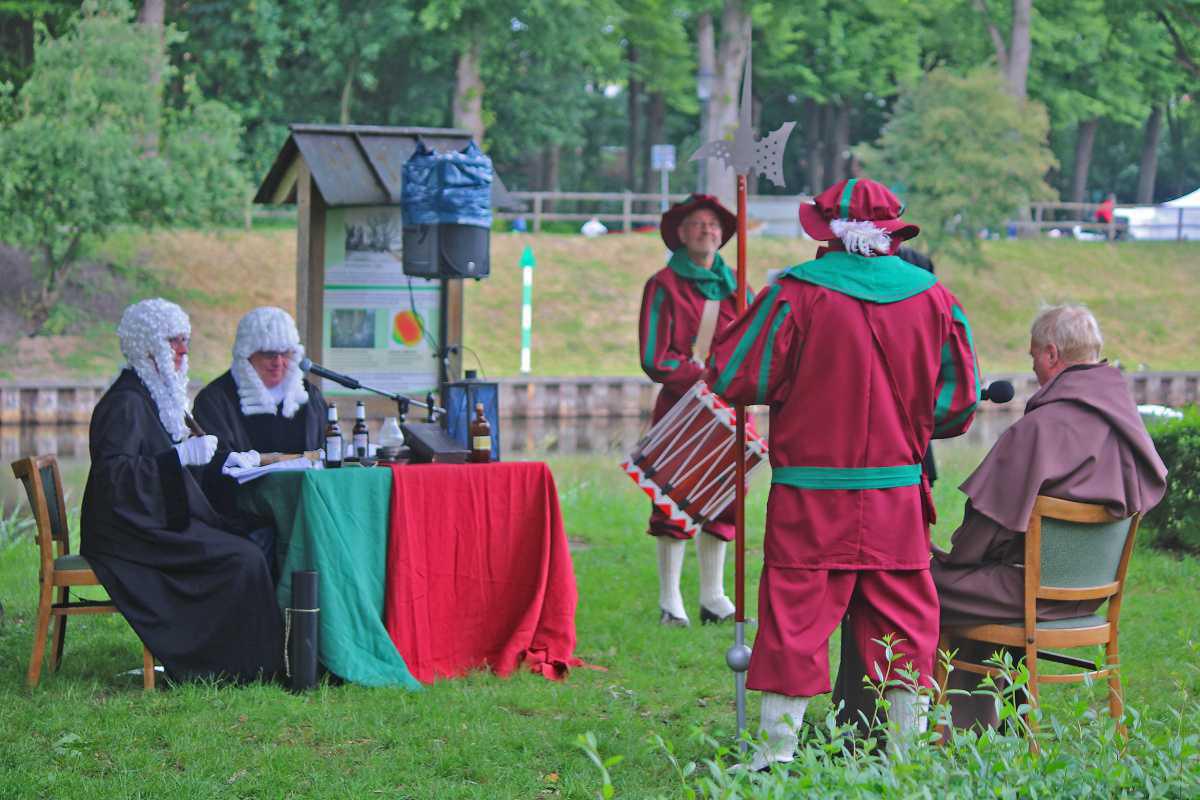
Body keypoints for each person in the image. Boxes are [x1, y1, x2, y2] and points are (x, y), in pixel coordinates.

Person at [707, 177, 981, 766]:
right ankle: (905, 757)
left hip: (809, 497)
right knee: (904, 619)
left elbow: (734, 378)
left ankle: (774, 755)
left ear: (825, 232)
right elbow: (957, 406)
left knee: (793, 620)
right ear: (890, 231)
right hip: (896, 495)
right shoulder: (935, 298)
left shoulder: (792, 295)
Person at [931, 304, 1167, 729]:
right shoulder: (1128, 423)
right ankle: (992, 727)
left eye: (1034, 355)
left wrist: (953, 559)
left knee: (911, 585)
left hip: (1030, 594)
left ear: (1053, 354)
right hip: (1090, 594)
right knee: (975, 581)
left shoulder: (1040, 429)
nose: (1034, 365)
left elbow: (980, 533)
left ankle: (896, 727)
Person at [80, 298, 283, 683]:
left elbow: (174, 462)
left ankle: (250, 661)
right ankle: (225, 667)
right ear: (148, 344)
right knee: (242, 557)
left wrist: (230, 461)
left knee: (251, 538)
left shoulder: (154, 397)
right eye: (174, 340)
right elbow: (114, 479)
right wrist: (176, 458)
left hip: (150, 522)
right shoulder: (125, 402)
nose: (184, 350)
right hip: (127, 536)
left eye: (185, 340)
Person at [638, 193, 752, 626]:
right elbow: (655, 356)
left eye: (714, 226)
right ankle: (671, 602)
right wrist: (706, 377)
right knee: (674, 498)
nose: (708, 231)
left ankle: (714, 597)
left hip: (731, 408)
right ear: (681, 234)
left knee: (724, 498)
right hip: (682, 407)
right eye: (698, 224)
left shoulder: (740, 286)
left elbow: (754, 345)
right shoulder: (662, 286)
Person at [193, 306, 327, 456]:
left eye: (285, 353)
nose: (278, 362)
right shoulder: (215, 401)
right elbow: (215, 463)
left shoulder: (310, 398)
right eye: (269, 354)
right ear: (246, 355)